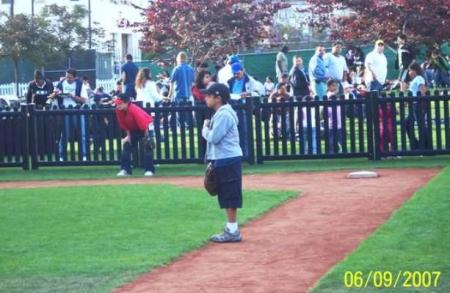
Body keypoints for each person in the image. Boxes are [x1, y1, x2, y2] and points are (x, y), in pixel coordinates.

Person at [202, 83, 243, 243]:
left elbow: (214, 137)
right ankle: (231, 229)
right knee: (227, 194)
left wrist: (204, 128)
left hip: (227, 158)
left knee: (229, 194)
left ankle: (232, 230)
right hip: (224, 158)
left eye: (209, 95)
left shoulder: (223, 114)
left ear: (217, 98)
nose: (206, 98)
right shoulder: (222, 113)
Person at [50, 68, 88, 161]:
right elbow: (51, 97)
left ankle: (83, 155)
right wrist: (56, 94)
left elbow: (83, 100)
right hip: (65, 111)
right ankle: (61, 155)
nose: (67, 79)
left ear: (75, 78)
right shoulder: (60, 84)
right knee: (64, 134)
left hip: (77, 111)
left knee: (82, 134)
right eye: (66, 76)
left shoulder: (80, 84)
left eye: (70, 77)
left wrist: (72, 96)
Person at [115, 94, 156, 177]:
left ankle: (149, 170)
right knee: (127, 146)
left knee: (147, 147)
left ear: (126, 103)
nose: (118, 105)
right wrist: (129, 137)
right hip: (133, 129)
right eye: (117, 103)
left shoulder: (134, 110)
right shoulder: (118, 110)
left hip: (146, 127)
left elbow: (144, 125)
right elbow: (124, 125)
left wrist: (147, 138)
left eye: (120, 103)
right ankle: (125, 170)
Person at [227, 62, 259, 157]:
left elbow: (258, 93)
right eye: (234, 73)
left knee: (245, 133)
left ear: (243, 71)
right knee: (233, 134)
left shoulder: (250, 81)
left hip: (245, 109)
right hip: (233, 108)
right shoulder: (230, 82)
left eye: (238, 73)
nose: (236, 75)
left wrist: (248, 93)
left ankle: (247, 154)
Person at [404, 63, 429, 150]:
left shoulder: (419, 78)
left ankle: (425, 146)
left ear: (414, 71)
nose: (409, 73)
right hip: (414, 105)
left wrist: (421, 102)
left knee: (420, 124)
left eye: (410, 71)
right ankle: (417, 145)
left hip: (417, 105)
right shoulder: (416, 79)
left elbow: (422, 89)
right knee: (407, 124)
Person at [325, 80, 343, 153]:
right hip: (332, 121)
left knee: (339, 137)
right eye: (333, 86)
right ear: (329, 87)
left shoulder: (335, 95)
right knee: (332, 138)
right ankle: (332, 151)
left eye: (335, 86)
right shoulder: (329, 95)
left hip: (338, 120)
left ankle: (338, 150)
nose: (335, 87)